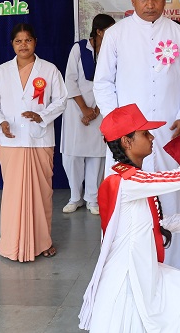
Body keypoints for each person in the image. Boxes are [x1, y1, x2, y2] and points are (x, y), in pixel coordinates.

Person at [78, 104, 180, 332]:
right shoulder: (126, 181)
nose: (152, 137)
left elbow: (156, 223)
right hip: (126, 280)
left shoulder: (135, 179)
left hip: (146, 271)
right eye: (145, 133)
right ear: (127, 142)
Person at [93, 0, 180, 271]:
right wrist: (118, 125)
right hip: (126, 138)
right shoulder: (116, 34)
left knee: (171, 195)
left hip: (168, 134)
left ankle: (174, 267)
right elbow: (103, 83)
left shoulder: (179, 34)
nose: (149, 4)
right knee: (126, 202)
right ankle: (124, 267)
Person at [0, 23, 67, 262]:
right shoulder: (2, 71)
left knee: (41, 195)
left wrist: (42, 116)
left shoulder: (49, 70)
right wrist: (1, 123)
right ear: (12, 44)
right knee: (13, 195)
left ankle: (43, 242)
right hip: (11, 142)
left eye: (28, 40)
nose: (23, 45)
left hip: (39, 140)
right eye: (18, 41)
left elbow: (61, 100)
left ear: (35, 42)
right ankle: (11, 244)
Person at [61, 14, 116, 215]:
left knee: (97, 155)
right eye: (109, 30)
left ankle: (92, 199)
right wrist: (84, 109)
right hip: (76, 109)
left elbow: (114, 81)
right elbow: (70, 79)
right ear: (99, 31)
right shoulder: (79, 48)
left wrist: (96, 110)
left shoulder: (112, 52)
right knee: (72, 155)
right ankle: (75, 197)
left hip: (100, 109)